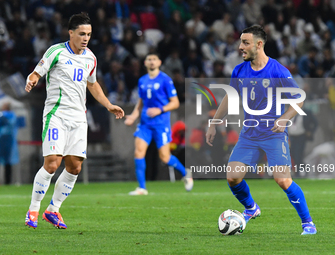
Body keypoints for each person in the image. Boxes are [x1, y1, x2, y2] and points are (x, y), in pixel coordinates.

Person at [206, 25, 317, 235]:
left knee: (283, 180)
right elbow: (230, 98)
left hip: (273, 134)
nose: (240, 47)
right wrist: (214, 123)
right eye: (240, 42)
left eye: (245, 43)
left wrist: (284, 119)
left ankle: (308, 223)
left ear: (259, 44)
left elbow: (298, 99)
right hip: (249, 134)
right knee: (232, 177)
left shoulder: (278, 71)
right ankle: (251, 208)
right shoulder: (239, 70)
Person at [24, 13, 124, 229]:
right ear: (71, 33)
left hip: (79, 118)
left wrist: (108, 105)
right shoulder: (56, 52)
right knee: (52, 164)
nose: (85, 38)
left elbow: (93, 84)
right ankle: (33, 209)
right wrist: (32, 79)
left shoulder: (91, 58)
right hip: (56, 115)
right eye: (81, 34)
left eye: (88, 34)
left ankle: (53, 210)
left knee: (75, 167)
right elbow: (36, 72)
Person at [124, 53, 193, 195]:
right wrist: (133, 116)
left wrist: (160, 109)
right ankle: (142, 188)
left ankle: (185, 172)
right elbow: (140, 103)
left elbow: (175, 103)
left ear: (159, 62)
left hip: (161, 124)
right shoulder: (142, 81)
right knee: (138, 152)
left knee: (164, 157)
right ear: (145, 63)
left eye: (154, 59)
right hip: (144, 124)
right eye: (149, 59)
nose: (152, 62)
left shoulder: (165, 80)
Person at [0, 102, 24, 185]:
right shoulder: (13, 116)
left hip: (0, 141)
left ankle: (3, 180)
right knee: (7, 162)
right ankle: (8, 181)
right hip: (9, 142)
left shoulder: (2, 115)